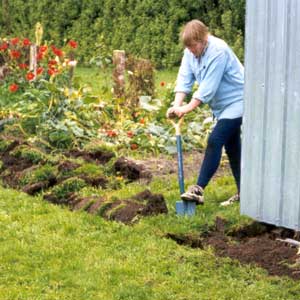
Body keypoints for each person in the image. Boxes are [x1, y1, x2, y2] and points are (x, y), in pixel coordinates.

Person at [167, 19, 244, 206]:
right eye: (189, 48)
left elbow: (207, 89)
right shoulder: (190, 52)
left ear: (203, 40)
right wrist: (176, 105)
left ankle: (198, 190)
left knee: (215, 140)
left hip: (239, 99)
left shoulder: (218, 51)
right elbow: (184, 79)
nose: (191, 51)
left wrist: (187, 108)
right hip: (221, 106)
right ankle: (245, 193)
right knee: (233, 147)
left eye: (194, 47)